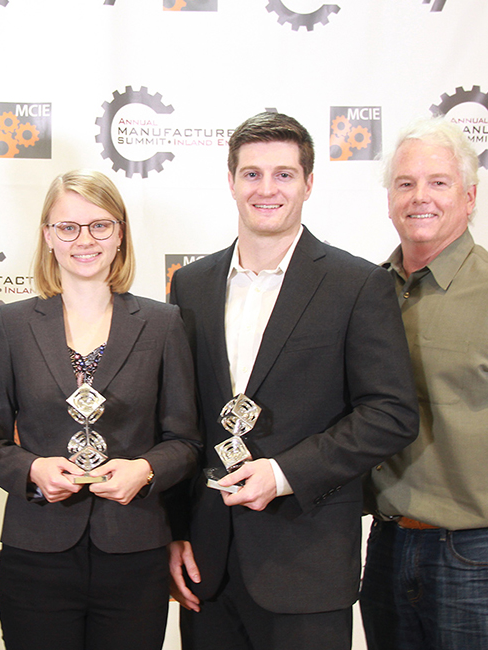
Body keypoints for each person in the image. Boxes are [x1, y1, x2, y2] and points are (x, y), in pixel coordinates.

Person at [167, 112, 419, 650]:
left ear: (308, 183)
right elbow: (179, 421)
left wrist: (283, 472)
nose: (267, 189)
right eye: (252, 173)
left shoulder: (358, 284)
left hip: (306, 564)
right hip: (208, 563)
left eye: (284, 174)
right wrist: (177, 531)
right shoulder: (190, 284)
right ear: (231, 181)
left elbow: (390, 413)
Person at [0, 169, 201, 650]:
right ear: (47, 237)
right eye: (68, 227)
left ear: (120, 234)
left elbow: (186, 441)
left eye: (100, 225)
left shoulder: (163, 324)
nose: (84, 240)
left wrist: (144, 469)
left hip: (134, 551)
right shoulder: (12, 325)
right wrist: (32, 469)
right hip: (37, 552)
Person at [360, 117, 488, 650]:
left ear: (469, 197)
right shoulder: (371, 293)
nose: (419, 197)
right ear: (389, 198)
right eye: (405, 183)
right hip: (389, 546)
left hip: (484, 557)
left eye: (438, 182)